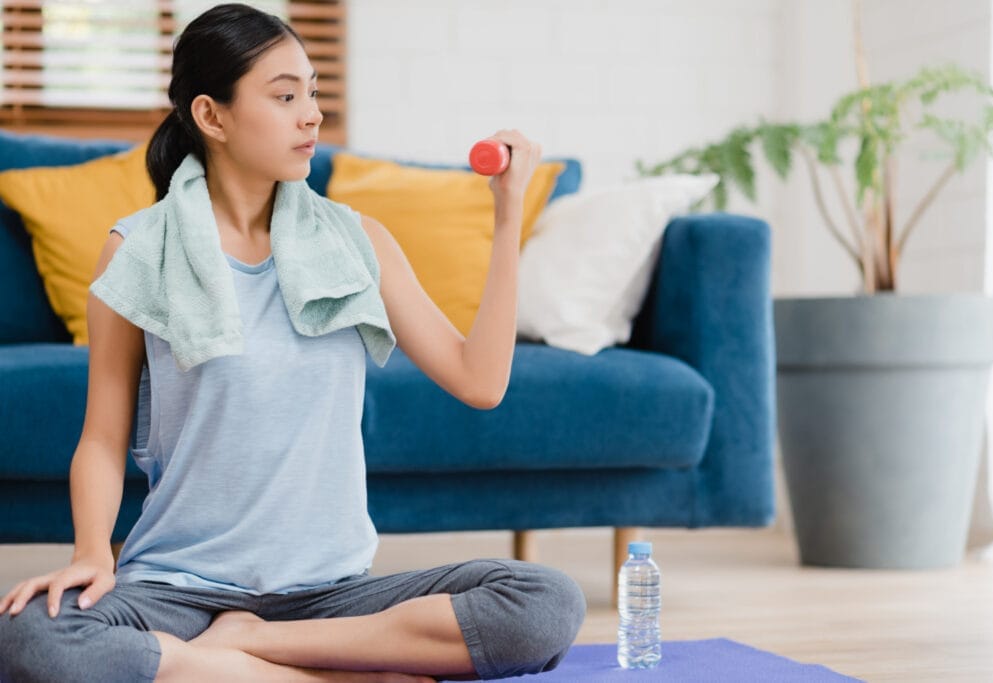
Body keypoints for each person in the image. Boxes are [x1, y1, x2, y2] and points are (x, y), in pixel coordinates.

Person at [0, 3, 586, 682]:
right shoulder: (136, 250)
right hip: (180, 589)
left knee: (543, 603)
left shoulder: (359, 241)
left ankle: (245, 651)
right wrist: (92, 552)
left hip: (331, 595)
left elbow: (480, 382)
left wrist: (509, 212)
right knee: (31, 637)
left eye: (312, 91)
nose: (311, 114)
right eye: (284, 96)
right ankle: (333, 673)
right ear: (211, 116)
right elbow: (102, 437)